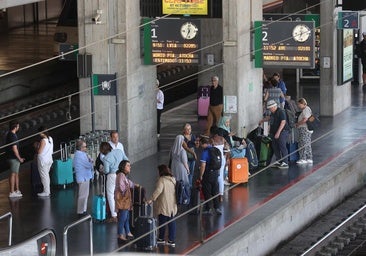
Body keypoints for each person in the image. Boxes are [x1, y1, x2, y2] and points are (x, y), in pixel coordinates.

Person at [147, 164, 177, 247]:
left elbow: (158, 191)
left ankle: (161, 238)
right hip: (173, 205)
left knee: (162, 222)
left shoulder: (162, 180)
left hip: (164, 204)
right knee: (172, 222)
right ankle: (172, 240)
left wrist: (151, 199)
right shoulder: (173, 179)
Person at [100, 142, 128, 223]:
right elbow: (126, 160)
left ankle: (114, 215)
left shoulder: (106, 158)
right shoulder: (119, 151)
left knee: (111, 195)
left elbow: (106, 170)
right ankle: (122, 211)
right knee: (122, 193)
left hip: (112, 176)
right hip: (122, 174)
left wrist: (102, 170)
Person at [259, 100, 290, 169]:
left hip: (282, 131)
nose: (270, 109)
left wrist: (278, 132)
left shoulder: (281, 112)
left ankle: (285, 162)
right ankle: (279, 161)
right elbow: (269, 118)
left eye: (270, 108)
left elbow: (283, 122)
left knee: (282, 146)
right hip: (274, 132)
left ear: (274, 107)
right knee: (275, 146)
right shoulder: (273, 112)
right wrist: (262, 120)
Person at [199, 137, 222, 215]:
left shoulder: (205, 152)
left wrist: (201, 175)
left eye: (201, 144)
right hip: (215, 173)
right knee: (215, 191)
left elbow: (203, 165)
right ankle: (217, 208)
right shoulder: (215, 149)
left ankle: (208, 209)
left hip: (208, 174)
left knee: (207, 191)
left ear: (203, 143)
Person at [115, 160, 136, 242]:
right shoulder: (121, 175)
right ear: (123, 167)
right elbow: (121, 186)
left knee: (127, 217)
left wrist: (134, 185)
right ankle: (120, 234)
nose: (130, 167)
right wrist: (124, 193)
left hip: (125, 201)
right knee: (123, 218)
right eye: (128, 165)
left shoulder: (123, 176)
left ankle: (128, 232)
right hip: (123, 200)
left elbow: (130, 183)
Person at [73, 140, 94, 217]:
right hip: (83, 177)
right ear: (81, 147)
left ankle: (83, 210)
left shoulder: (82, 154)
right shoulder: (80, 156)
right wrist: (91, 162)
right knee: (82, 195)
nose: (86, 148)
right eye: (85, 146)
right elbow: (89, 165)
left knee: (85, 195)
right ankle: (80, 211)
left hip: (85, 177)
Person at [5, 120, 25, 198]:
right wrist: (19, 158)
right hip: (13, 158)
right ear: (15, 127)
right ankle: (12, 192)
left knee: (16, 174)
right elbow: (14, 148)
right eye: (18, 126)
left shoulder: (11, 134)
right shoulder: (12, 135)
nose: (19, 127)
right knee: (13, 174)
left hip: (13, 158)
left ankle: (17, 190)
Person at [36, 126, 54, 197]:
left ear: (41, 132)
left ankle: (46, 191)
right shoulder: (50, 138)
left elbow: (39, 151)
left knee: (44, 176)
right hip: (49, 159)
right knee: (46, 176)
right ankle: (47, 190)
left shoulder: (43, 140)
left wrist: (36, 146)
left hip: (43, 161)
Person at [295, 98, 313, 165]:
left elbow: (305, 119)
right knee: (307, 143)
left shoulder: (306, 110)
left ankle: (303, 158)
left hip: (304, 129)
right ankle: (309, 158)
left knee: (302, 143)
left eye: (299, 104)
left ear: (303, 104)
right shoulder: (307, 109)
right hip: (307, 129)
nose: (298, 106)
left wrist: (298, 124)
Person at [182, 123, 197, 187]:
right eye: (187, 129)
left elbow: (196, 146)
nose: (189, 131)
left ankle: (189, 185)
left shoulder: (193, 136)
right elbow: (185, 148)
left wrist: (197, 143)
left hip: (192, 157)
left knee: (191, 172)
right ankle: (186, 185)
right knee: (186, 172)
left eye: (190, 129)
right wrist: (193, 153)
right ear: (184, 130)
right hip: (186, 157)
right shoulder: (182, 138)